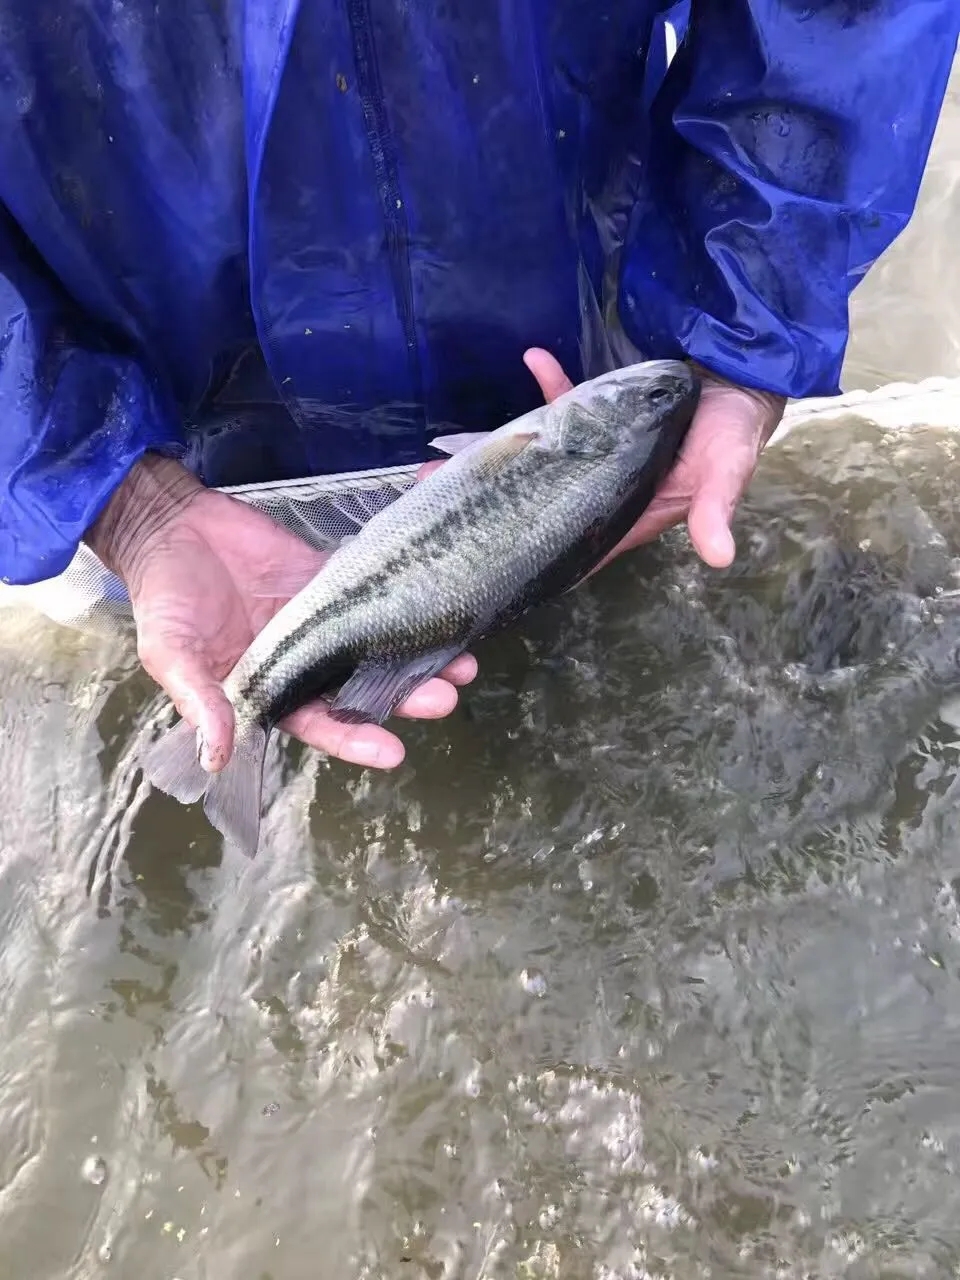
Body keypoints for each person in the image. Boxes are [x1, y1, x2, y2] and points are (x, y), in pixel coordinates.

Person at [0, 3, 957, 778]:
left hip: (567, 332)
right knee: (177, 651)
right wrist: (110, 492)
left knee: (564, 658)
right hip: (134, 421)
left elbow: (841, 21)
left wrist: (738, 330)